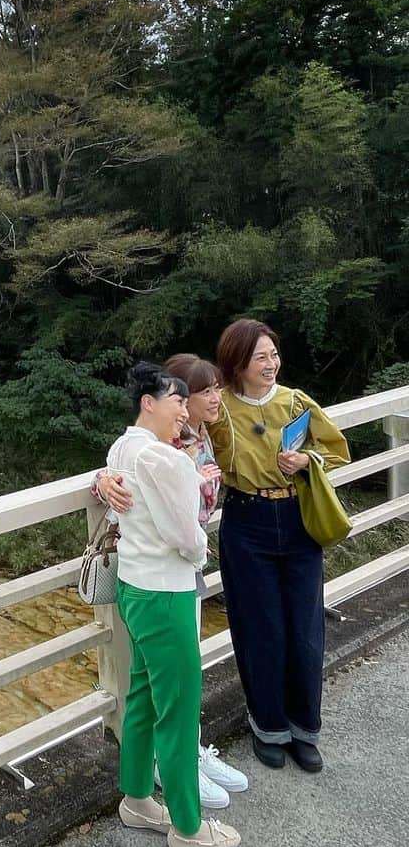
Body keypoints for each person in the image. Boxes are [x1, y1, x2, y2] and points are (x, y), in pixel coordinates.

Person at [95, 354, 250, 808]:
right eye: (180, 400)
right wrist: (200, 548)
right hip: (168, 590)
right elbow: (186, 537)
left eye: (194, 398)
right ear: (149, 402)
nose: (187, 408)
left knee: (142, 696)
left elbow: (121, 500)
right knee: (179, 704)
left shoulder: (123, 447)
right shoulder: (167, 456)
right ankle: (188, 823)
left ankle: (137, 799)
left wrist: (107, 481)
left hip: (135, 586)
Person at [210, 319, 349, 772]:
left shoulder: (295, 402)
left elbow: (337, 449)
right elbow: (176, 442)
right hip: (246, 521)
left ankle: (305, 729)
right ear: (238, 363)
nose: (271, 364)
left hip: (296, 519)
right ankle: (268, 726)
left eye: (273, 355)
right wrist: (110, 473)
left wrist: (306, 459)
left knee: (305, 630)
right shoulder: (219, 407)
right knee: (260, 629)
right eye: (260, 358)